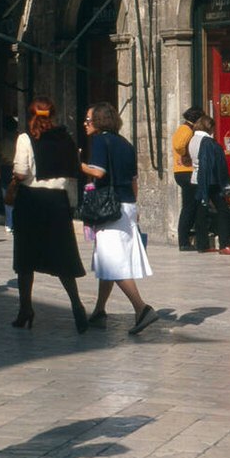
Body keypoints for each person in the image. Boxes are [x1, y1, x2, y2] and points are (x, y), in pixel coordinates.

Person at [11, 97, 87, 332]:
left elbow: (21, 172)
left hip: (31, 200)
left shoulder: (26, 139)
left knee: (25, 259)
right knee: (62, 256)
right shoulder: (65, 137)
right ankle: (77, 305)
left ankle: (25, 309)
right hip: (57, 201)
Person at [82, 103, 158, 334]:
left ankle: (141, 308)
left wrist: (79, 165)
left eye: (88, 119)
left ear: (99, 121)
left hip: (109, 207)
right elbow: (134, 180)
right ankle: (99, 311)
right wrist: (133, 207)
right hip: (126, 205)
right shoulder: (126, 143)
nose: (85, 123)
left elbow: (99, 172)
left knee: (112, 262)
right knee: (108, 259)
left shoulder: (100, 141)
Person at [190, 114, 230, 254]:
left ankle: (202, 244)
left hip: (196, 178)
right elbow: (212, 164)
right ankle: (225, 243)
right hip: (209, 180)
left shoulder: (193, 140)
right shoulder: (208, 142)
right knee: (222, 210)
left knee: (201, 212)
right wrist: (225, 183)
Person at [171, 106, 205, 253]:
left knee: (191, 206)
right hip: (186, 171)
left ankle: (189, 239)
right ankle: (184, 241)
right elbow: (179, 145)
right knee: (189, 207)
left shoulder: (182, 129)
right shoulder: (187, 130)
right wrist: (186, 153)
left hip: (181, 172)